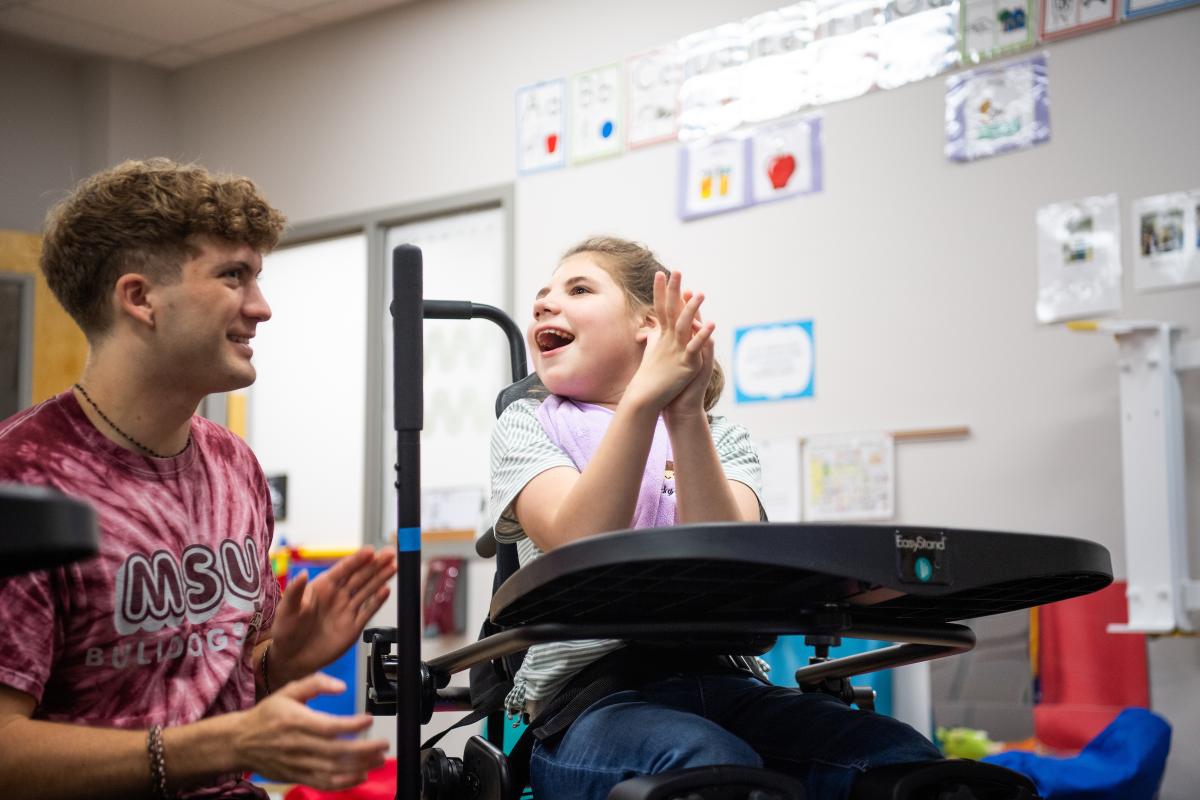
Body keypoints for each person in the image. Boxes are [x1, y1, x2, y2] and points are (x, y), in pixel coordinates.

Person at [488, 236, 943, 800]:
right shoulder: (527, 424)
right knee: (711, 766)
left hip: (730, 682)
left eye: (578, 289)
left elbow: (732, 562)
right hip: (593, 704)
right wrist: (641, 402)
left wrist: (682, 411)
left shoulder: (721, 436)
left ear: (649, 327)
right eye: (542, 295)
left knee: (903, 762)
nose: (544, 304)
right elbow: (578, 543)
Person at [0, 159, 397, 799]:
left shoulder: (233, 465)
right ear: (140, 298)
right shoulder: (21, 478)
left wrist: (286, 657)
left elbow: (233, 677)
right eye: (232, 276)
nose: (261, 308)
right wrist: (220, 745)